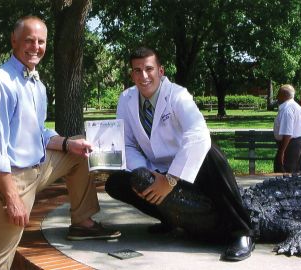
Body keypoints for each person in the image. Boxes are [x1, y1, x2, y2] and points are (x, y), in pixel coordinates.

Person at [0, 16, 120, 270]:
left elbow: (38, 132)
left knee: (79, 149)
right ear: (14, 40)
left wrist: (67, 145)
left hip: (37, 168)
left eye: (41, 41)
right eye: (29, 40)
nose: (36, 47)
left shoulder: (36, 85)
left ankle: (82, 224)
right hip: (9, 178)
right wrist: (12, 198)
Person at [105, 47, 254, 261]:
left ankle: (242, 232)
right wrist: (149, 174)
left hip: (189, 171)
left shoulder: (177, 95)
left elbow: (198, 134)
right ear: (132, 74)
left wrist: (171, 179)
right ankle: (170, 218)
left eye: (149, 69)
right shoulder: (126, 99)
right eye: (137, 70)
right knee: (116, 183)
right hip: (155, 169)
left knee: (211, 153)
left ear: (161, 70)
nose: (143, 76)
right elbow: (126, 143)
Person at [273, 84, 301, 173]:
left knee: (283, 173)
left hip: (290, 145)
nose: (277, 97)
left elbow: (287, 133)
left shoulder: (287, 109)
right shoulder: (296, 106)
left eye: (278, 94)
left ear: (284, 96)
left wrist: (282, 152)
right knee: (292, 172)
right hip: (297, 143)